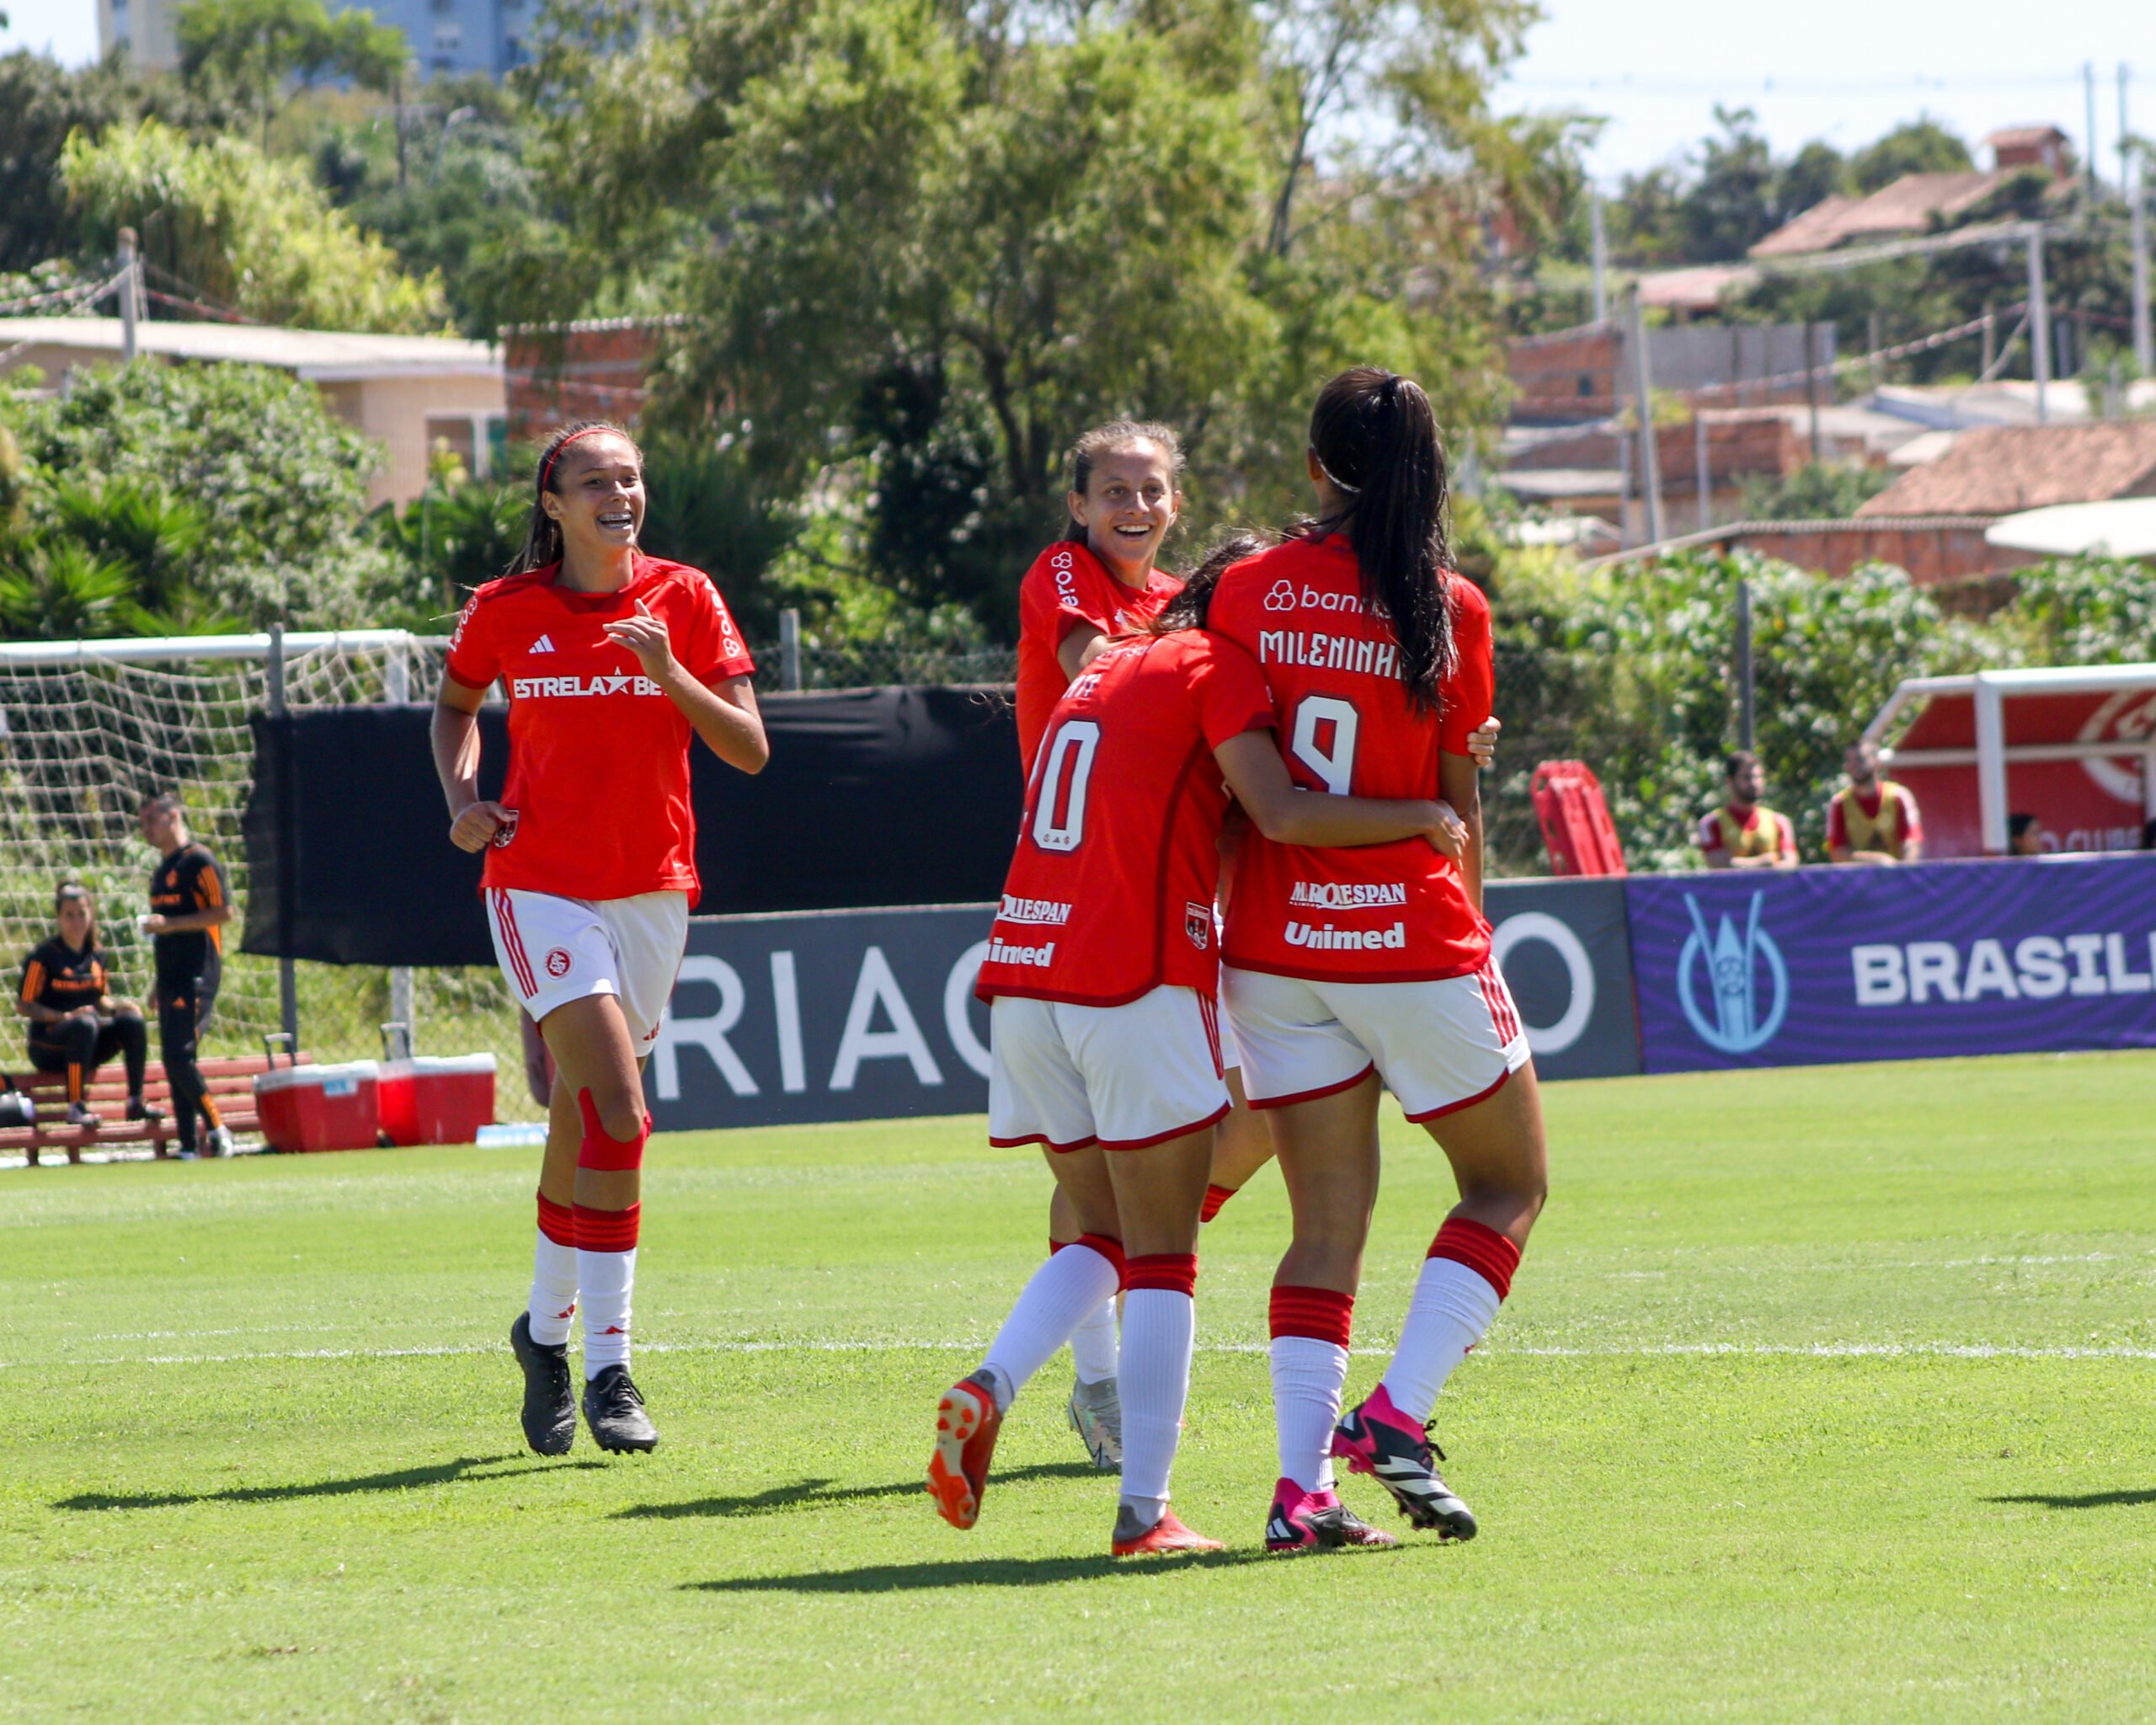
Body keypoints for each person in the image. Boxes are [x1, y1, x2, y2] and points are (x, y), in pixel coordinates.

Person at [930, 553, 1468, 1556]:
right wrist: (1422, 813)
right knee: (1165, 1253)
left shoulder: (1102, 670)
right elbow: (1281, 813)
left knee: (1103, 1228)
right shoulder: (1210, 664)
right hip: (1129, 976)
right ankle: (1144, 1513)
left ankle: (990, 1380)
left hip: (1022, 970)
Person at [1208, 366, 1547, 1552]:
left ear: (1316, 467)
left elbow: (1242, 775)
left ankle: (1302, 1494)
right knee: (1508, 1187)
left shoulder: (1246, 588)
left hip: (1273, 950)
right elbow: (1459, 801)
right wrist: (1476, 928)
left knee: (1323, 1232)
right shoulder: (1449, 604)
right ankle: (1397, 1415)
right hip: (1411, 941)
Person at [432, 419, 769, 1457]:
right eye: (593, 480)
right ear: (553, 502)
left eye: (629, 477)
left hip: (654, 889)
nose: (617, 492)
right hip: (536, 884)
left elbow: (749, 749)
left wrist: (672, 672)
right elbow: (455, 709)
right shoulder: (506, 609)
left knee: (585, 1122)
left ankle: (540, 1334)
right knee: (620, 1110)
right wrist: (462, 797)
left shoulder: (686, 597)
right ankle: (612, 1365)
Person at [18, 884, 157, 1133]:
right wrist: (64, 1017)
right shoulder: (44, 957)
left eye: (82, 913)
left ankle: (136, 1101)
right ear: (59, 918)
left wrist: (118, 1008)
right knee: (84, 1023)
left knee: (132, 1022)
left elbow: (100, 1000)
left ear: (91, 914)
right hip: (49, 1046)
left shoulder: (96, 954)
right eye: (69, 915)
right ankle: (75, 1107)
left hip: (86, 1045)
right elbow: (24, 1005)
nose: (77, 921)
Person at [141, 792, 235, 1159]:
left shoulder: (200, 861)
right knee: (172, 1058)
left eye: (151, 820)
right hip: (170, 978)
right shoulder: (161, 872)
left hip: (198, 973)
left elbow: (224, 912)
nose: (145, 829)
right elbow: (164, 934)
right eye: (142, 822)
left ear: (173, 816)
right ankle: (188, 1146)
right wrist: (155, 984)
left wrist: (172, 924)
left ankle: (218, 1129)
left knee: (180, 1056)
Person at [1826, 740, 1923, 866]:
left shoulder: (1898, 797)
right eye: (1849, 761)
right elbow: (1837, 853)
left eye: (1860, 760)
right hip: (1856, 882)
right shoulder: (1839, 803)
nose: (1854, 766)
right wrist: (1876, 860)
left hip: (1895, 878)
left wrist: (1903, 875)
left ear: (1877, 762)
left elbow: (1912, 844)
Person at [1696, 751, 1798, 870]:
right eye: (1746, 777)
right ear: (1731, 781)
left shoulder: (1779, 821)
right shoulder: (1711, 823)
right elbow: (1719, 864)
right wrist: (1762, 863)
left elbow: (1790, 863)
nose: (1754, 783)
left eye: (1758, 777)